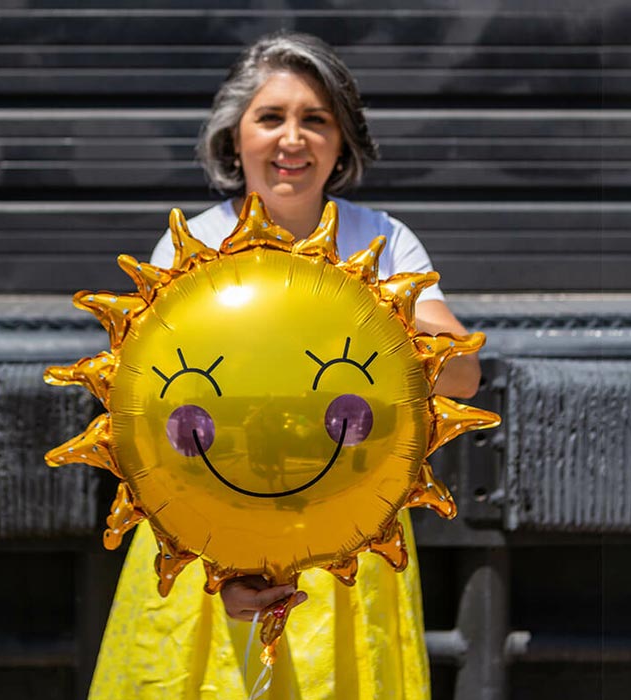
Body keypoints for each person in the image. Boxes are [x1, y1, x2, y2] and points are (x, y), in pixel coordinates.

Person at [89, 32, 480, 700]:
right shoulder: (195, 245)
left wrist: (359, 308)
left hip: (349, 535)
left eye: (315, 120)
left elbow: (463, 375)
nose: (292, 139)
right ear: (234, 139)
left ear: (342, 143)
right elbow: (151, 409)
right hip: (207, 534)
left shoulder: (382, 242)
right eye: (270, 118)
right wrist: (228, 559)